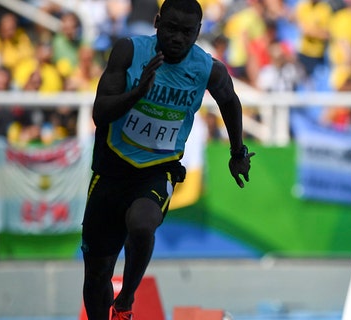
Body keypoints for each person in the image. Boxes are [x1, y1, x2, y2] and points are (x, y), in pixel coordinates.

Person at [80, 1, 255, 319]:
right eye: (171, 28)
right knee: (96, 273)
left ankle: (124, 303)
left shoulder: (207, 68)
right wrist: (137, 93)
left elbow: (230, 101)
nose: (177, 38)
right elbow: (100, 112)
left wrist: (237, 152)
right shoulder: (129, 52)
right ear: (158, 22)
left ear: (198, 32)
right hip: (111, 169)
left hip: (157, 171)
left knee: (142, 225)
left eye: (187, 32)